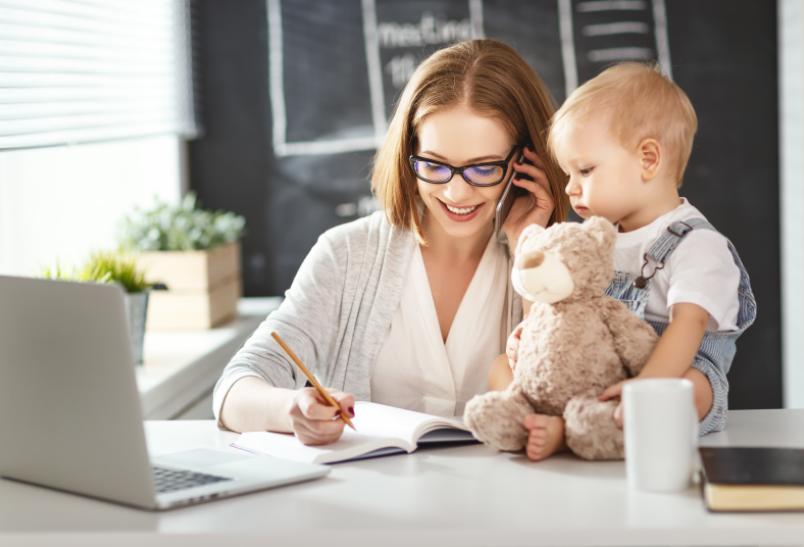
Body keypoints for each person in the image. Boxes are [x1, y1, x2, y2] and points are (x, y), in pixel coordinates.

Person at [212, 39, 570, 445]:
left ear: (525, 163)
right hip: (371, 503)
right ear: (409, 154)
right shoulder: (347, 254)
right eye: (434, 165)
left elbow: (560, 401)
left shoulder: (557, 262)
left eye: (483, 168)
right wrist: (291, 409)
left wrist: (530, 247)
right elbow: (234, 390)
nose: (456, 194)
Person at [492, 62, 756, 461]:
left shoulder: (697, 244)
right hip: (597, 370)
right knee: (499, 366)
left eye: (585, 170)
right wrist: (534, 341)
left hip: (667, 373)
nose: (570, 187)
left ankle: (569, 432)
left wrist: (646, 388)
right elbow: (559, 305)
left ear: (648, 159)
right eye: (567, 173)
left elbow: (689, 325)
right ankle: (535, 416)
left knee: (692, 389)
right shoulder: (596, 240)